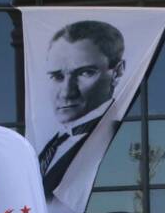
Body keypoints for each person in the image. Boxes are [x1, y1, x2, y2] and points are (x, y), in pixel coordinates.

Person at [38, 20, 126, 195]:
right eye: (57, 76)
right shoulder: (52, 143)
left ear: (117, 73)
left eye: (85, 73)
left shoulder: (119, 140)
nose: (66, 93)